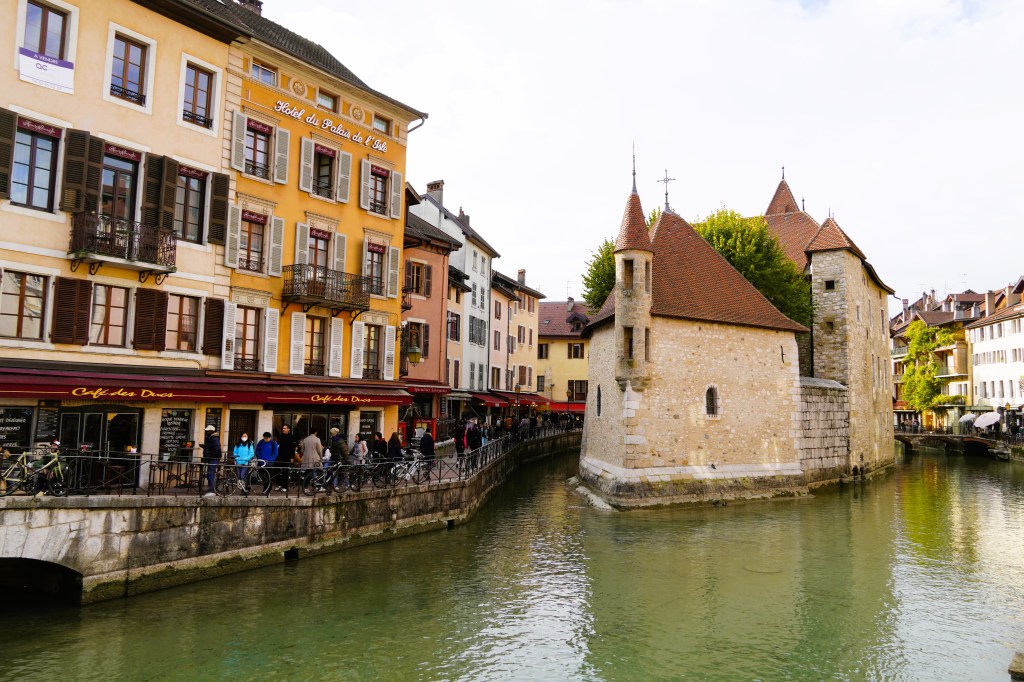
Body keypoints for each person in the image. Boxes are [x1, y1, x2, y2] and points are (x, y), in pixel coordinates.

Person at [199, 425, 221, 497]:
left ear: (211, 431)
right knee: (209, 475)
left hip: (213, 459)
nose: (206, 432)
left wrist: (211, 456)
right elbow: (211, 448)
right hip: (210, 458)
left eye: (207, 431)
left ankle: (212, 490)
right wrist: (204, 446)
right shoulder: (210, 438)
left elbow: (217, 450)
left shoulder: (214, 439)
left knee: (211, 474)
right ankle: (211, 488)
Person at [274, 424, 295, 492]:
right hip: (280, 456)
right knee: (276, 470)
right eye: (283, 428)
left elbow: (292, 448)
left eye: (285, 428)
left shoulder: (291, 437)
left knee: (285, 472)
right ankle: (280, 484)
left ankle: (285, 487)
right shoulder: (281, 436)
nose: (283, 429)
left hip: (287, 457)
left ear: (288, 429)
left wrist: (292, 457)